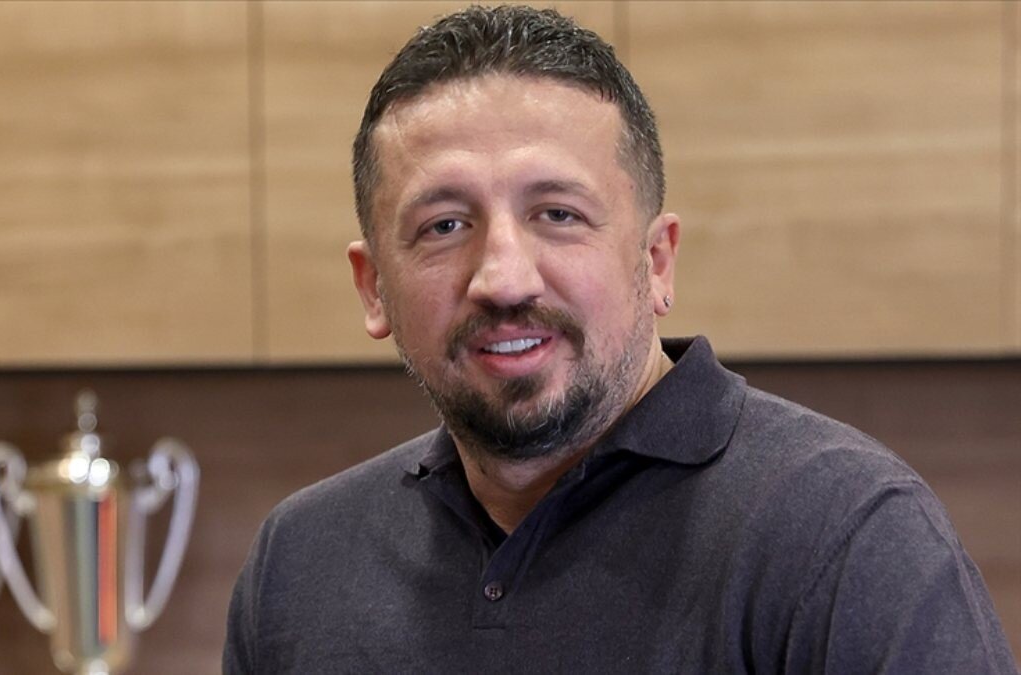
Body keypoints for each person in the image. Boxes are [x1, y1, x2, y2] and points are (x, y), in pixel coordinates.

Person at [224, 5, 1018, 673]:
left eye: (558, 214)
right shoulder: (299, 564)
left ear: (657, 259)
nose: (503, 278)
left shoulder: (846, 536)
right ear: (373, 288)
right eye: (445, 225)